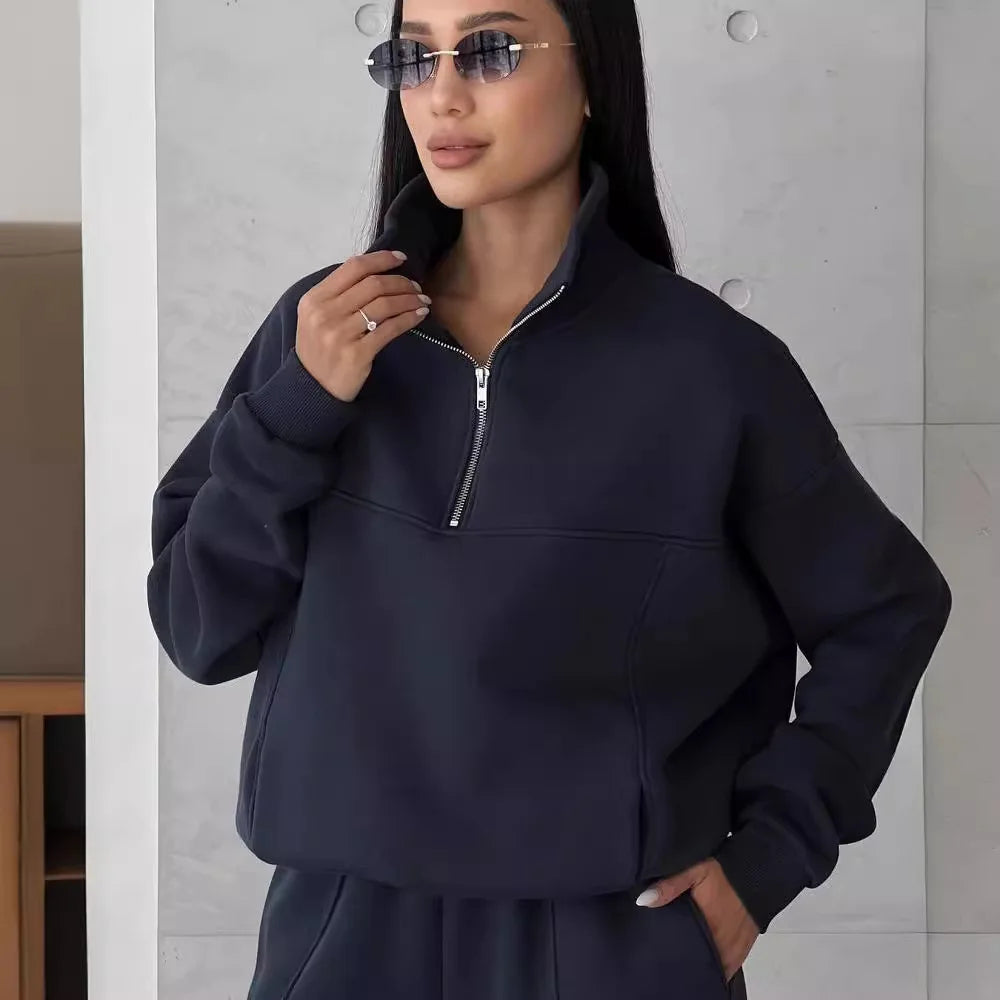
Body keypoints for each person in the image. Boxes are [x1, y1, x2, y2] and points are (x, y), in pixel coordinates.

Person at [146, 1, 953, 997]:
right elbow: (198, 627)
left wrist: (765, 861)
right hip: (343, 936)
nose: (441, 94)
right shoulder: (321, 333)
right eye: (413, 57)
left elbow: (886, 609)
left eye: (490, 50)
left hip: (613, 944)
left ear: (592, 77)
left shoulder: (712, 370)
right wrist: (297, 411)